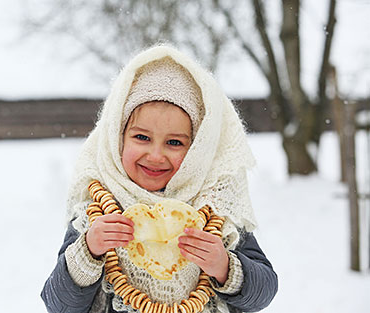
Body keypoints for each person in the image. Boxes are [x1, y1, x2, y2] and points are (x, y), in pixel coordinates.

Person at [41, 45, 278, 313]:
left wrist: (225, 267)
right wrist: (88, 251)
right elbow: (58, 305)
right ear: (117, 138)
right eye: (141, 137)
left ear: (197, 150)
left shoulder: (216, 209)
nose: (155, 155)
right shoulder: (96, 214)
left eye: (174, 142)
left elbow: (264, 291)